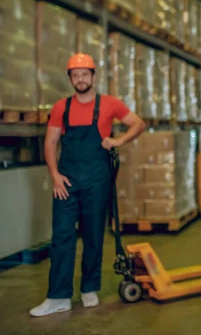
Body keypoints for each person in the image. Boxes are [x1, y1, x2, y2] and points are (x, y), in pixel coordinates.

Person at [30, 53, 145, 317]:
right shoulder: (62, 107)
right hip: (66, 181)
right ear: (70, 78)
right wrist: (55, 175)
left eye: (85, 74)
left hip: (97, 179)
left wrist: (118, 141)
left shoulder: (109, 104)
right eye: (75, 75)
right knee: (61, 236)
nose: (80, 79)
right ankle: (58, 296)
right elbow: (50, 142)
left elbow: (138, 124)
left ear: (93, 76)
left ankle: (89, 288)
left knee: (93, 234)